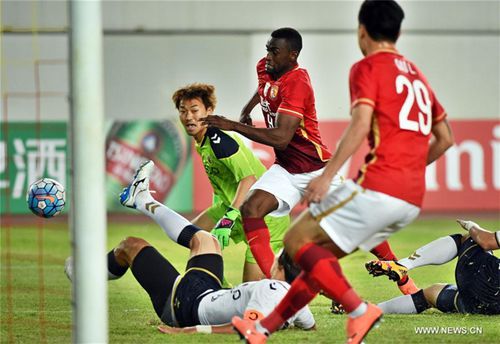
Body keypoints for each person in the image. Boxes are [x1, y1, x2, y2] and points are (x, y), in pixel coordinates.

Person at [231, 1, 454, 343]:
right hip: (410, 199)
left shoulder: (367, 67)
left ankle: (361, 311)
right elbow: (445, 139)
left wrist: (327, 173)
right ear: (399, 31)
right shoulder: (416, 75)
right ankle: (262, 330)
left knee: (294, 240)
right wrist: (409, 171)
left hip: (379, 188)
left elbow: (360, 123)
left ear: (361, 30)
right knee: (315, 258)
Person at [201, 27, 406, 286]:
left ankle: (404, 278)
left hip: (316, 169)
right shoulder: (265, 66)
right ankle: (277, 282)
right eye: (267, 49)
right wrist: (247, 109)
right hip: (286, 169)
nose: (268, 56)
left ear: (292, 55)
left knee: (361, 223)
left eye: (274, 52)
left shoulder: (298, 83)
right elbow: (263, 87)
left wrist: (233, 125)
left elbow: (281, 137)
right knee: (251, 209)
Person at [64, 160, 315, 334]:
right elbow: (308, 325)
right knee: (206, 239)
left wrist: (190, 330)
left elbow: (247, 329)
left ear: (280, 268)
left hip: (184, 306)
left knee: (130, 246)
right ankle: (142, 199)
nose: (271, 261)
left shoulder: (272, 289)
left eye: (277, 259)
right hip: (207, 291)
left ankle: (83, 277)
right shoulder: (295, 300)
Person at [172, 83, 289, 282]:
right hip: (233, 207)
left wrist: (228, 218)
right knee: (193, 237)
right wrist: (225, 212)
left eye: (194, 110)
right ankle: (218, 287)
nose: (188, 117)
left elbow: (248, 179)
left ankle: (318, 284)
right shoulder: (201, 140)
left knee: (254, 290)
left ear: (209, 111)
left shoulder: (220, 141)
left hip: (264, 214)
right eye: (183, 111)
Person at [370, 220, 500, 316]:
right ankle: (373, 311)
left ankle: (403, 265)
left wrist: (472, 226)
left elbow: (487, 241)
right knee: (431, 293)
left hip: (488, 286)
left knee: (470, 238)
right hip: (492, 308)